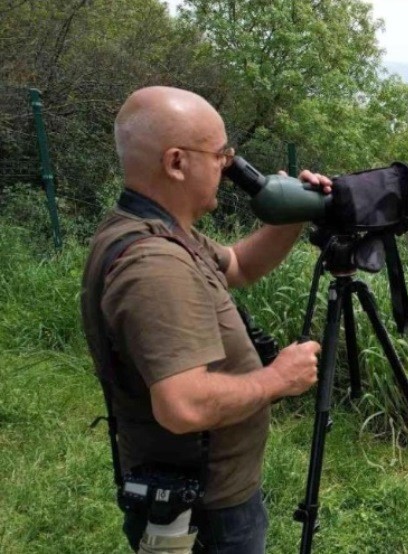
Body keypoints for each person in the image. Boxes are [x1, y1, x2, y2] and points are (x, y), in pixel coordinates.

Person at [80, 86, 328, 553]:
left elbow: (240, 265)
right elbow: (184, 406)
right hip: (205, 514)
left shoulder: (165, 233)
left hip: (209, 496)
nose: (227, 166)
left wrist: (291, 215)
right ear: (176, 162)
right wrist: (277, 378)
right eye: (219, 155)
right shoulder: (155, 265)